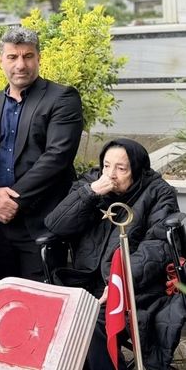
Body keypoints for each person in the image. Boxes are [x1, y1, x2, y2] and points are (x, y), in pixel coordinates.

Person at [44, 139, 183, 370]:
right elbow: (56, 225)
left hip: (135, 285)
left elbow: (157, 246)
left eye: (121, 168)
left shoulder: (158, 192)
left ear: (137, 169)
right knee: (55, 315)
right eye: (106, 166)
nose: (111, 175)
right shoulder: (91, 183)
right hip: (86, 281)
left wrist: (119, 282)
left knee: (93, 322)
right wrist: (90, 193)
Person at [0, 26, 83, 281]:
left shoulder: (62, 98)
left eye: (28, 56)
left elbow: (57, 156)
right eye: (12, 57)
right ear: (0, 60)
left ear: (39, 57)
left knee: (41, 307)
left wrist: (12, 200)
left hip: (41, 224)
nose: (20, 65)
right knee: (1, 302)